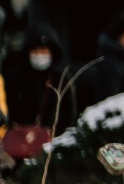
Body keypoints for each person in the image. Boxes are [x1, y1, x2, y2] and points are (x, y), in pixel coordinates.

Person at [1, 26, 74, 159]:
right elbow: (7, 108)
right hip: (18, 148)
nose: (40, 54)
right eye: (36, 50)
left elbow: (68, 112)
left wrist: (59, 138)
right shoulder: (14, 76)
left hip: (52, 147)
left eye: (44, 50)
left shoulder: (60, 78)